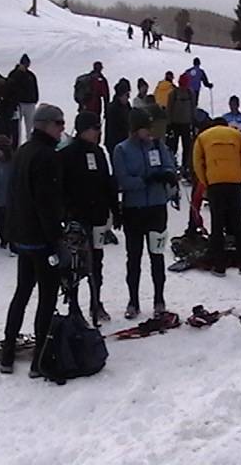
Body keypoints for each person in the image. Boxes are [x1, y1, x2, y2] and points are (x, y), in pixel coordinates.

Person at [0, 104, 66, 376]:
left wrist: (12, 232)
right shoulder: (47, 156)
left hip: (22, 236)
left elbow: (14, 195)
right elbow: (46, 203)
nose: (62, 128)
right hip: (41, 239)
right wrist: (56, 239)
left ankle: (7, 353)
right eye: (59, 123)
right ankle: (40, 358)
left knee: (22, 292)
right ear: (45, 125)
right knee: (47, 298)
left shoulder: (23, 151)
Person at [114, 108, 177, 319]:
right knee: (134, 257)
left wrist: (167, 175)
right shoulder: (122, 150)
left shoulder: (158, 146)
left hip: (157, 208)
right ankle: (133, 300)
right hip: (134, 210)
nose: (149, 132)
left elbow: (169, 166)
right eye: (144, 128)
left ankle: (159, 299)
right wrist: (144, 181)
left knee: (157, 255)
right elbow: (123, 180)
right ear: (135, 129)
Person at [59, 111, 120, 322]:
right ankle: (74, 306)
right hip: (77, 218)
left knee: (97, 262)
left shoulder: (99, 152)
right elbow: (61, 188)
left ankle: (96, 302)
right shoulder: (67, 154)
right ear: (83, 130)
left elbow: (107, 182)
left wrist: (115, 209)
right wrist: (67, 212)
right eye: (95, 128)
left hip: (98, 217)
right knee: (76, 264)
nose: (98, 133)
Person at [193, 120, 241, 276]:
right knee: (238, 222)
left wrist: (206, 181)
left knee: (217, 224)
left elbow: (197, 163)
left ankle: (219, 266)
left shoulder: (203, 137)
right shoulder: (237, 135)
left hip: (215, 185)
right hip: (234, 183)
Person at [166, 73, 195, 175]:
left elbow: (193, 108)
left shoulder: (190, 94)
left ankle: (185, 166)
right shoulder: (173, 94)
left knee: (187, 146)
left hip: (186, 124)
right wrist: (169, 124)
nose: (183, 87)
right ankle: (172, 165)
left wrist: (193, 122)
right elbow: (169, 109)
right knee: (173, 146)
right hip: (175, 124)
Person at [7, 54, 38, 141]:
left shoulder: (31, 75)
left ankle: (30, 142)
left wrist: (35, 99)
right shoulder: (14, 74)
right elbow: (10, 87)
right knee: (17, 127)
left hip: (30, 103)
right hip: (19, 103)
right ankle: (17, 144)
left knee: (30, 126)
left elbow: (35, 88)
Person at [105, 78, 132, 163]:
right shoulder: (113, 108)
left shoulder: (127, 106)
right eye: (127, 95)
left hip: (125, 142)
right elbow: (121, 125)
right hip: (115, 143)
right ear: (120, 95)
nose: (128, 97)